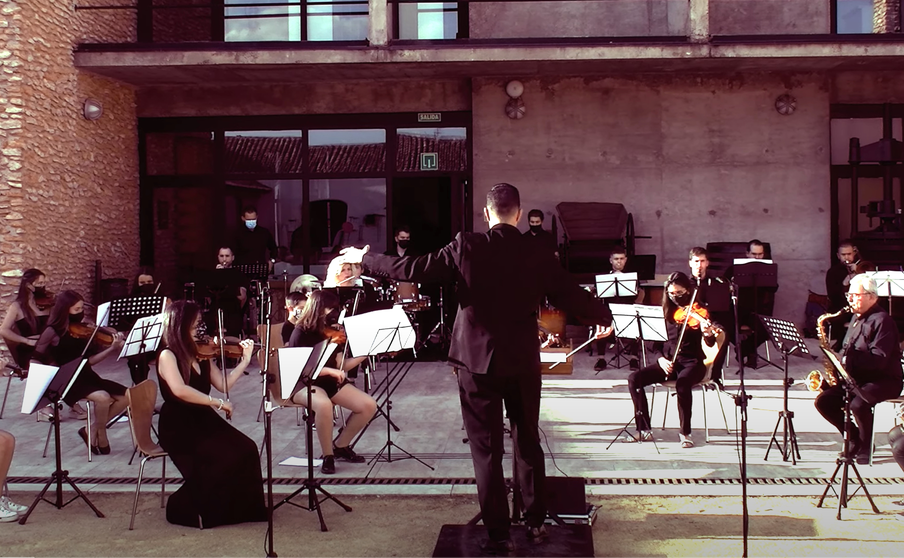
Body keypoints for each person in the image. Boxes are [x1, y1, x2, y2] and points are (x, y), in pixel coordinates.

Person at [339, 183, 613, 552]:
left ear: (487, 215)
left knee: (486, 450)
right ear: (517, 214)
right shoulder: (537, 249)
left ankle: (498, 531)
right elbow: (568, 291)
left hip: (475, 362)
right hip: (521, 360)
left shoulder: (467, 245)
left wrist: (365, 258)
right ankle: (534, 522)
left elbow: (415, 268)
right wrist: (603, 314)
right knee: (527, 440)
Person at [156, 300, 266, 528]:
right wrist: (217, 403)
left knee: (246, 449)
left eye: (200, 324)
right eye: (196, 325)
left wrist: (245, 359)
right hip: (178, 424)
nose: (201, 329)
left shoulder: (201, 352)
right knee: (220, 457)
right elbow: (180, 390)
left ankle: (242, 508)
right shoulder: (168, 355)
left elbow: (223, 384)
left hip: (203, 418)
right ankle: (182, 505)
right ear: (180, 325)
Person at [283, 290, 377, 474]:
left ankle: (340, 446)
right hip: (303, 383)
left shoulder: (331, 332)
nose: (333, 313)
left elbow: (342, 366)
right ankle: (328, 456)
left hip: (328, 381)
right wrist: (330, 371)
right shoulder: (300, 332)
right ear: (320, 308)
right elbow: (301, 368)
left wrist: (366, 353)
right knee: (324, 405)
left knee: (368, 405)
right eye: (331, 308)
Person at [815, 275, 903, 465]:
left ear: (872, 297)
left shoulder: (883, 321)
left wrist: (846, 359)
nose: (850, 299)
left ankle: (865, 446)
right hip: (859, 378)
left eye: (855, 295)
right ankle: (853, 437)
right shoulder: (856, 318)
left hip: (885, 380)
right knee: (824, 401)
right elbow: (849, 347)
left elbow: (879, 360)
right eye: (849, 294)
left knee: (858, 404)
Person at [627, 272, 719, 448]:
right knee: (634, 379)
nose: (676, 297)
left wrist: (707, 333)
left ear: (688, 291)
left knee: (682, 384)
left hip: (693, 363)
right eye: (671, 294)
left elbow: (710, 342)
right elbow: (655, 346)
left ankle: (686, 433)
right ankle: (643, 429)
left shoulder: (701, 312)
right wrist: (661, 359)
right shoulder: (665, 313)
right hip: (669, 363)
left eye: (679, 293)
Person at [33, 290, 128, 455]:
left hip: (86, 375)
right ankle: (102, 434)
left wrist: (112, 348)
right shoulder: (52, 331)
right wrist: (40, 381)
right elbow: (36, 356)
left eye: (82, 308)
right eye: (76, 310)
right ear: (64, 310)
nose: (81, 313)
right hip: (67, 379)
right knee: (104, 398)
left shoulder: (82, 330)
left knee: (127, 397)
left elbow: (89, 361)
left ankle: (91, 429)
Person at [724, 239, 777, 368]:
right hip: (737, 308)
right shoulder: (733, 269)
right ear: (747, 254)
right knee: (725, 327)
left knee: (766, 330)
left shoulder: (767, 269)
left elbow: (773, 288)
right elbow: (724, 286)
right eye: (754, 254)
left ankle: (743, 349)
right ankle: (749, 352)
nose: (757, 257)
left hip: (758, 308)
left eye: (760, 254)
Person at [594, 248, 645, 371]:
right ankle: (601, 359)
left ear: (626, 260)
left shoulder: (632, 276)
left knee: (636, 324)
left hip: (627, 308)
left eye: (622, 259)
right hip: (608, 309)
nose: (619, 262)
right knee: (600, 322)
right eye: (616, 259)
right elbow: (597, 294)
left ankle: (634, 358)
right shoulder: (605, 276)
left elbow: (640, 293)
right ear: (611, 260)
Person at [688, 247, 732, 385]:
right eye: (696, 261)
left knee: (722, 334)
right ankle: (692, 373)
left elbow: (721, 306)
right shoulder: (685, 284)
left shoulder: (717, 283)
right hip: (691, 321)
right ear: (690, 263)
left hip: (711, 319)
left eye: (702, 261)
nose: (699, 265)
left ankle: (714, 375)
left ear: (707, 263)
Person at [825, 241, 876, 350]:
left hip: (862, 306)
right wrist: (846, 281)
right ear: (838, 256)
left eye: (849, 254)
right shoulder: (833, 272)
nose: (847, 257)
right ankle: (841, 346)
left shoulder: (862, 268)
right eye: (843, 255)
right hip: (842, 308)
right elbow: (833, 296)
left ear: (854, 253)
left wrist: (858, 274)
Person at [124, 266, 163, 385]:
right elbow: (125, 322)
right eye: (142, 283)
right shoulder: (131, 301)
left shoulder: (163, 299)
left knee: (169, 358)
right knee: (136, 360)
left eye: (149, 282)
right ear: (137, 284)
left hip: (160, 341)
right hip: (140, 341)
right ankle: (141, 390)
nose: (146, 285)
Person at [233, 205, 277, 270]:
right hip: (242, 270)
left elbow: (274, 249)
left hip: (261, 268)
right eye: (249, 219)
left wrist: (272, 261)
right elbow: (231, 252)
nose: (251, 221)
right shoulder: (236, 234)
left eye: (253, 219)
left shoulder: (264, 232)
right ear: (243, 218)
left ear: (257, 217)